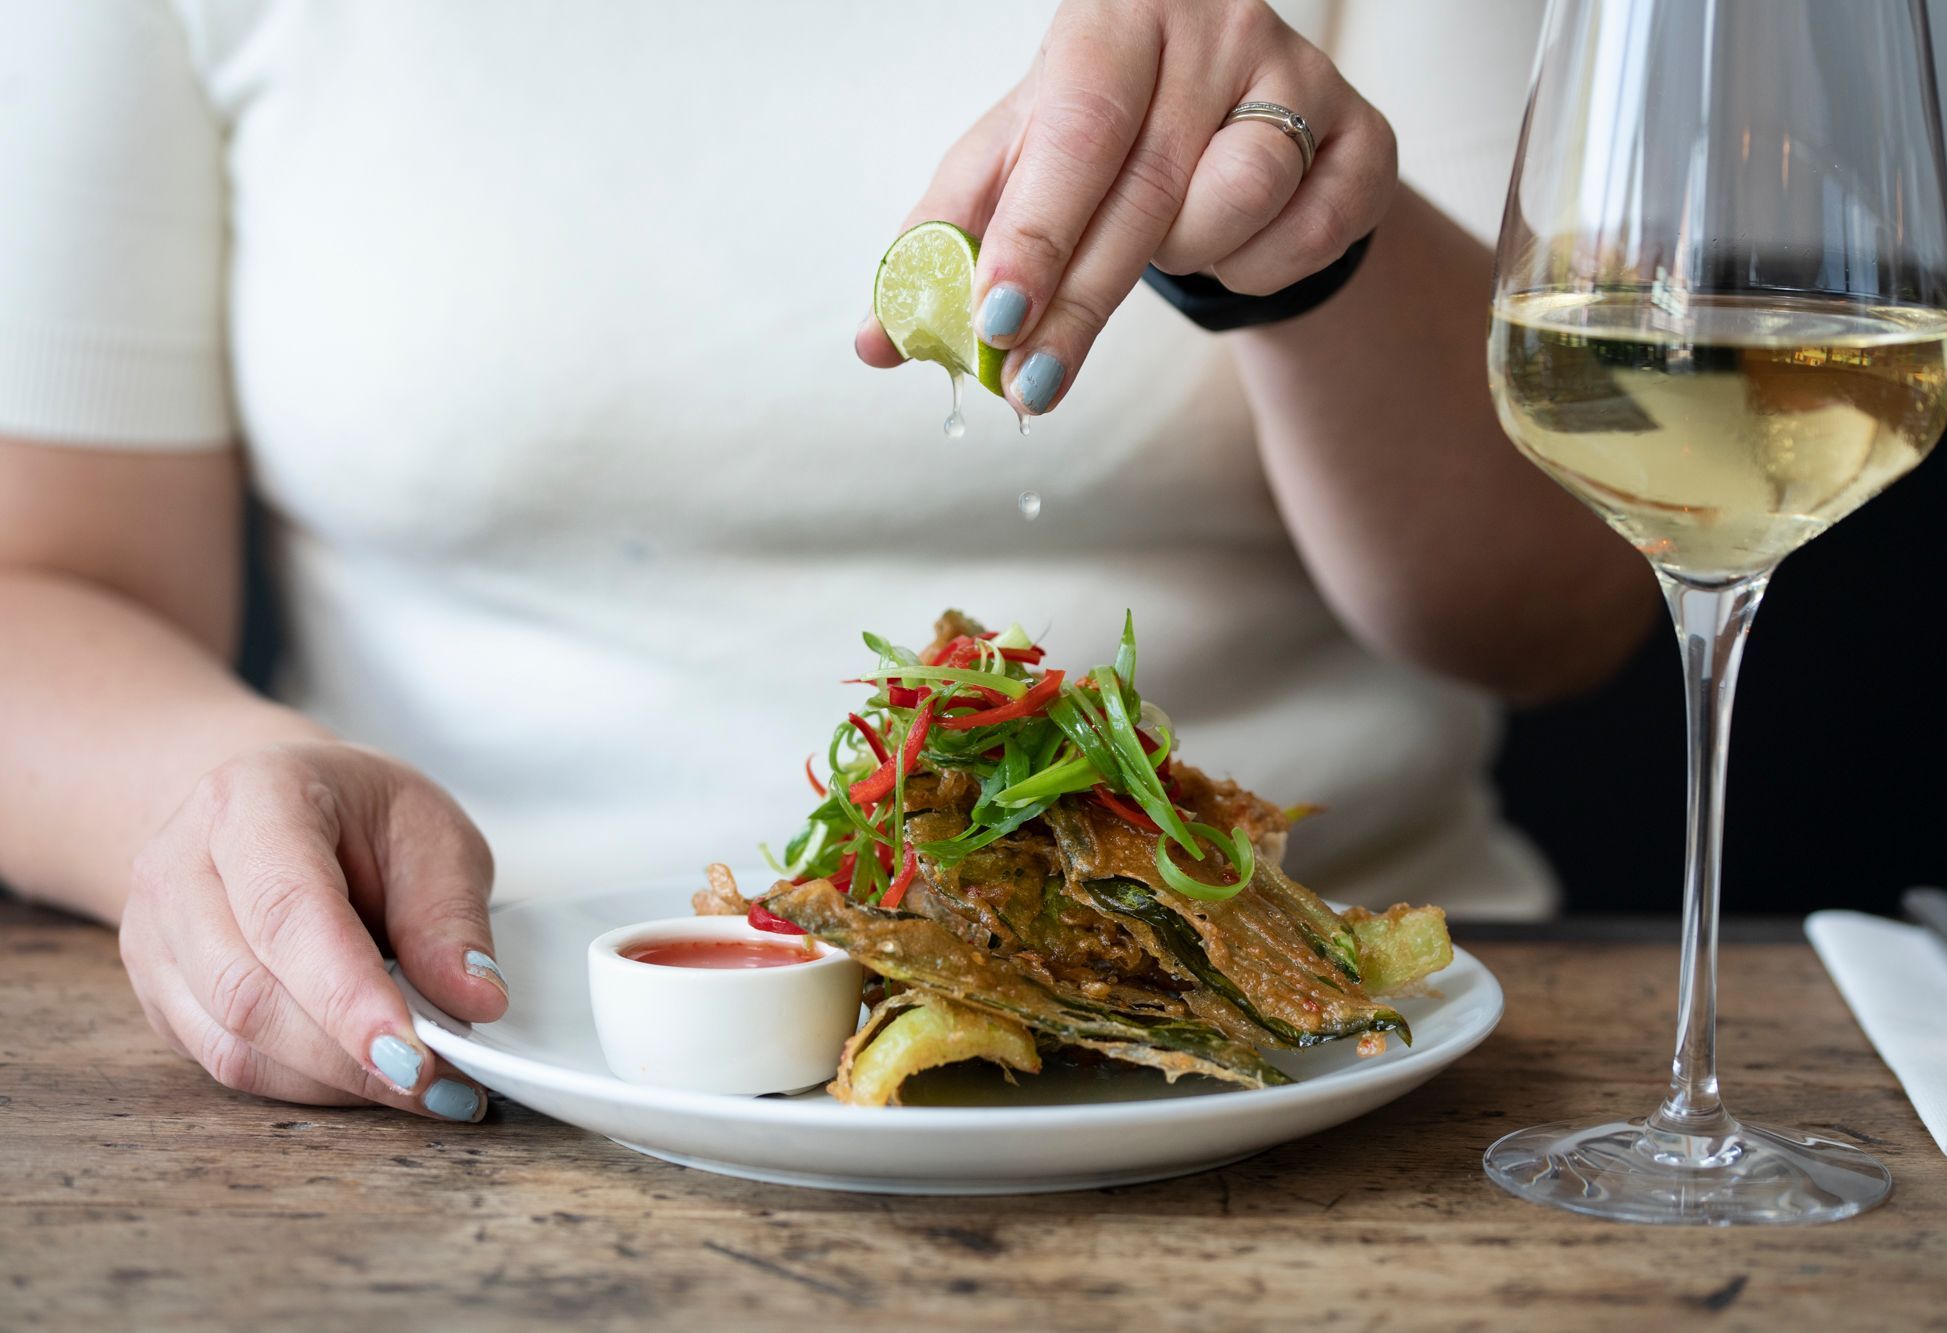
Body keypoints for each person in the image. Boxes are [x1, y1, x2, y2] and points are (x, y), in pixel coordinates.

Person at [0, 0, 1653, 1121]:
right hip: (483, 1066)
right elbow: (43, 586)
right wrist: (245, 806)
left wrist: (1303, 267)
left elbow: (1564, 601)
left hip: (1319, 1097)